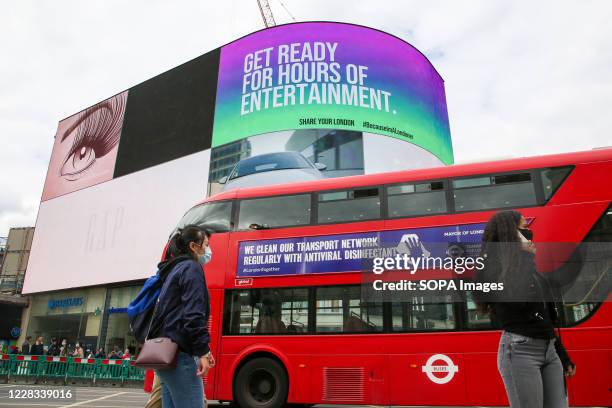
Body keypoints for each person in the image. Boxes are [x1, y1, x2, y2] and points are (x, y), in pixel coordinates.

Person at [475, 210, 577, 407]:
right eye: (524, 228)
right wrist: (525, 256)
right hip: (520, 350)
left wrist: (562, 355)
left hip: (549, 351)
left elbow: (544, 317)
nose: (530, 232)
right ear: (511, 235)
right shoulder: (492, 269)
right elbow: (515, 301)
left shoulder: (532, 272)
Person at [150, 225, 214, 408]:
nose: (208, 250)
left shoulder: (174, 269)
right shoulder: (192, 268)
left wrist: (204, 349)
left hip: (164, 354)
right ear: (194, 246)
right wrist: (203, 351)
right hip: (180, 357)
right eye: (206, 244)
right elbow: (193, 315)